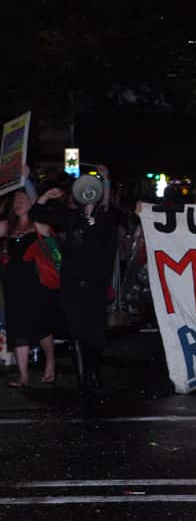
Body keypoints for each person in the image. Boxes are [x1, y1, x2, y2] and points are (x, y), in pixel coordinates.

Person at [30, 165, 122, 395]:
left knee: (96, 336)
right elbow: (36, 215)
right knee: (77, 334)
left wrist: (106, 182)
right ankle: (83, 380)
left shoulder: (107, 221)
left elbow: (117, 213)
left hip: (95, 288)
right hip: (72, 287)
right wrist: (46, 195)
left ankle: (93, 369)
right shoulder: (70, 219)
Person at [0, 189, 58, 388]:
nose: (18, 203)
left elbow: (52, 243)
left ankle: (50, 362)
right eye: (15, 200)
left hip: (36, 283)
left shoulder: (38, 226)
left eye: (23, 199)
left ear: (31, 202)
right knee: (18, 329)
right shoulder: (8, 226)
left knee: (41, 326)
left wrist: (37, 197)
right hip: (13, 284)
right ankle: (23, 376)